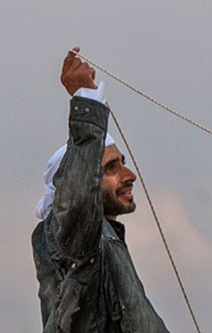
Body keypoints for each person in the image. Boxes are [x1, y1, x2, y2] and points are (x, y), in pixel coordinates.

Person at [32, 48, 170, 332]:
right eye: (110, 168)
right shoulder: (71, 236)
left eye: (123, 164)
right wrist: (86, 101)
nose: (129, 176)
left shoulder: (102, 239)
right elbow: (76, 201)